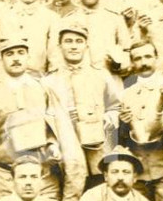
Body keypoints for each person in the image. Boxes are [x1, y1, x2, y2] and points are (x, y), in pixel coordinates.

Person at [0, 36, 87, 201]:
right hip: (5, 181)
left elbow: (60, 131)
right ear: (1, 59)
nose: (16, 58)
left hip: (42, 178)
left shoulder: (44, 90)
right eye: (9, 54)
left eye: (21, 53)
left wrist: (52, 143)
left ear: (28, 57)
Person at [42, 21, 122, 186]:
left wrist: (109, 118)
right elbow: (43, 120)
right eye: (68, 41)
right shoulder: (48, 81)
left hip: (97, 144)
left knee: (98, 186)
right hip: (64, 147)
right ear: (59, 46)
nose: (73, 46)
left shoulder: (101, 75)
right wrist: (52, 143)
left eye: (79, 41)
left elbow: (116, 106)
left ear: (86, 45)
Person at [118, 40, 163, 201]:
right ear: (132, 62)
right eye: (138, 58)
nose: (144, 63)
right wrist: (123, 124)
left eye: (148, 57)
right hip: (139, 172)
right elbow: (123, 139)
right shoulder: (126, 94)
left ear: (157, 58)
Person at [48, 0, 131, 74]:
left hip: (109, 79)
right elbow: (55, 57)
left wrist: (118, 64)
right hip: (75, 80)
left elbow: (126, 53)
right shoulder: (65, 21)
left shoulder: (115, 19)